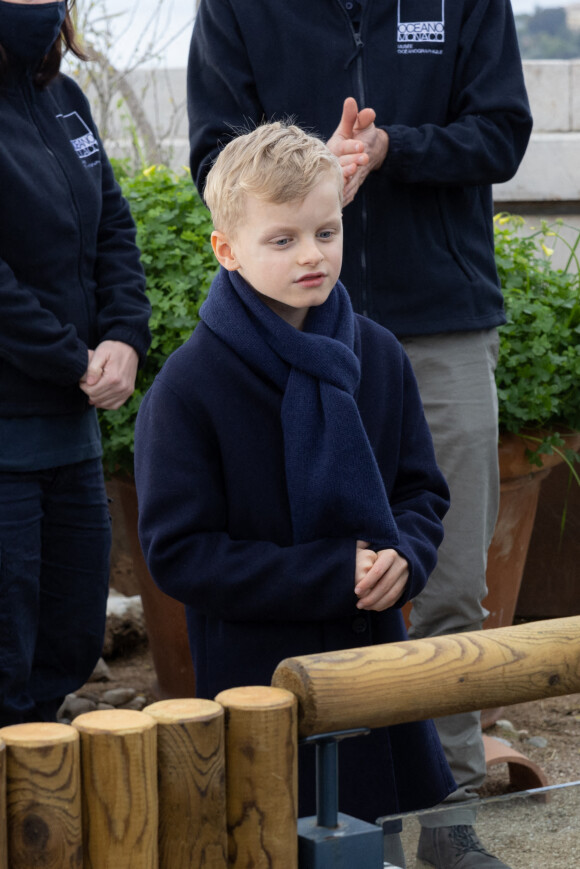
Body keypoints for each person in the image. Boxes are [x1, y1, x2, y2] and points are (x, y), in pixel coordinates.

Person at [186, 3, 533, 867]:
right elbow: (212, 154)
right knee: (310, 589)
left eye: (320, 231)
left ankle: (444, 809)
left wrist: (391, 150)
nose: (310, 242)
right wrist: (311, 177)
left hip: (438, 318)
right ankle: (289, 818)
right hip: (286, 339)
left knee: (447, 580)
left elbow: (503, 131)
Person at [134, 121, 455, 862]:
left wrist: (405, 555)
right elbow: (180, 552)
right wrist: (326, 573)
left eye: (326, 231)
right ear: (227, 250)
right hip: (260, 678)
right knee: (277, 841)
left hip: (378, 667)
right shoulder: (189, 389)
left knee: (396, 838)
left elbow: (421, 492)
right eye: (283, 239)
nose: (312, 254)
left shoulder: (377, 353)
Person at [0, 0, 151, 727]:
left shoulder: (67, 100)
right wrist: (72, 357)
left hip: (72, 432)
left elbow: (114, 227)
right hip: (9, 433)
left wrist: (123, 335)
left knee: (65, 640)